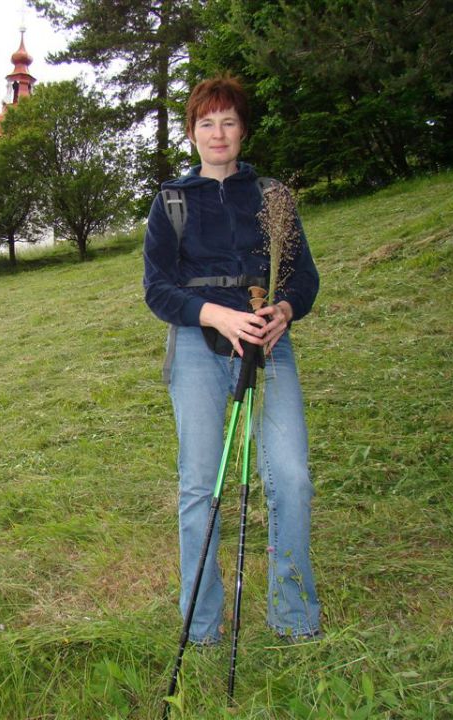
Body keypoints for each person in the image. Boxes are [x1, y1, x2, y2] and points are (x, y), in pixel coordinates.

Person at [143, 75, 321, 644]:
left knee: (290, 476)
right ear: (192, 132)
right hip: (198, 344)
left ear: (243, 129)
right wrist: (216, 316)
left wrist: (285, 311)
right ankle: (200, 627)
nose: (217, 134)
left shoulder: (272, 198)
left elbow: (302, 275)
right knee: (200, 483)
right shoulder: (171, 200)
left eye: (228, 122)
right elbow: (157, 289)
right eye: (205, 123)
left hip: (267, 345)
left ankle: (293, 618)